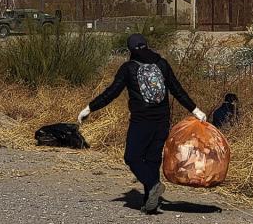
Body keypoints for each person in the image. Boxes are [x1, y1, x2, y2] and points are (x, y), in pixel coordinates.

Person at [78, 33, 206, 214]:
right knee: (152, 159)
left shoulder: (128, 68)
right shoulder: (161, 64)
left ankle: (153, 185)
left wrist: (90, 108)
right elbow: (177, 90)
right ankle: (149, 202)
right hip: (162, 120)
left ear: (130, 50)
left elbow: (112, 92)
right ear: (147, 45)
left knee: (132, 157)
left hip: (141, 121)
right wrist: (195, 110)